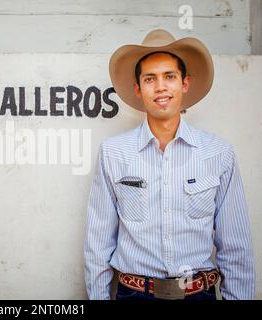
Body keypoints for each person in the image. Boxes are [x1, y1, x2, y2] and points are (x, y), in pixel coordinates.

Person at [84, 29, 255, 300]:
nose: (161, 87)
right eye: (150, 79)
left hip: (199, 293)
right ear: (138, 89)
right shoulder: (113, 153)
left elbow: (236, 247)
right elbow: (98, 243)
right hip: (134, 294)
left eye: (170, 76)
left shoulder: (218, 153)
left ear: (184, 83)